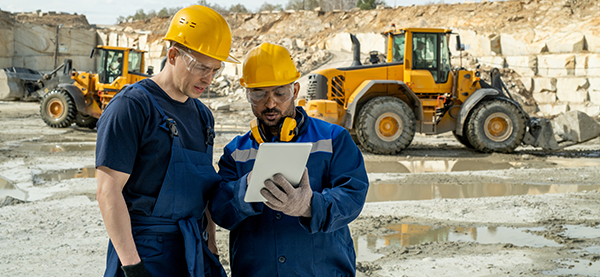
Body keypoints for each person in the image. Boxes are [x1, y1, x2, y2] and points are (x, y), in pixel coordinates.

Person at [95, 5, 239, 277]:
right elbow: (108, 191)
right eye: (201, 67)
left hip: (191, 250)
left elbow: (203, 193)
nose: (208, 79)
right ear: (173, 55)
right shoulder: (132, 107)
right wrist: (133, 267)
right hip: (143, 251)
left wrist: (211, 246)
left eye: (215, 70)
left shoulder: (203, 116)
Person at [209, 42, 370, 276]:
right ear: (247, 94)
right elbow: (220, 211)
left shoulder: (334, 139)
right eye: (259, 93)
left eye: (279, 93)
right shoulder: (235, 152)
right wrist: (246, 189)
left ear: (295, 91)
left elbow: (353, 196)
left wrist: (309, 206)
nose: (270, 103)